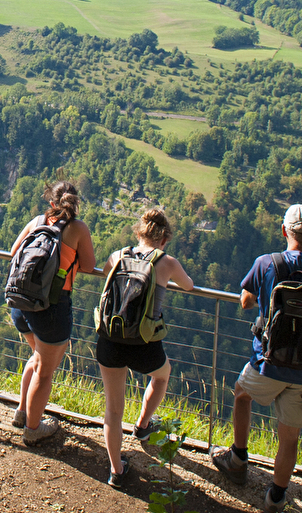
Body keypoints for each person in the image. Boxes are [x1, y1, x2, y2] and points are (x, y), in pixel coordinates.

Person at [211, 204, 302, 513]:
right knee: (289, 436)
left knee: (242, 395)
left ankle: (238, 459)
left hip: (266, 361)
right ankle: (276, 497)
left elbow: (246, 302)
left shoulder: (266, 263)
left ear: (284, 231)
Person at [98, 206, 195, 487]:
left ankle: (117, 471)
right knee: (162, 374)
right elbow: (188, 286)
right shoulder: (167, 262)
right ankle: (142, 425)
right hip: (144, 342)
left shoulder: (119, 255)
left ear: (138, 233)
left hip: (110, 337)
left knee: (113, 411)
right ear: (164, 239)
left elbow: (105, 272)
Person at [8, 181, 98, 445]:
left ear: (51, 203)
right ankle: (33, 429)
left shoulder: (37, 221)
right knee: (45, 371)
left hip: (20, 303)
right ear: (76, 203)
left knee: (38, 357)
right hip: (51, 308)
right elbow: (90, 265)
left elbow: (14, 253)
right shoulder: (78, 228)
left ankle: (22, 412)